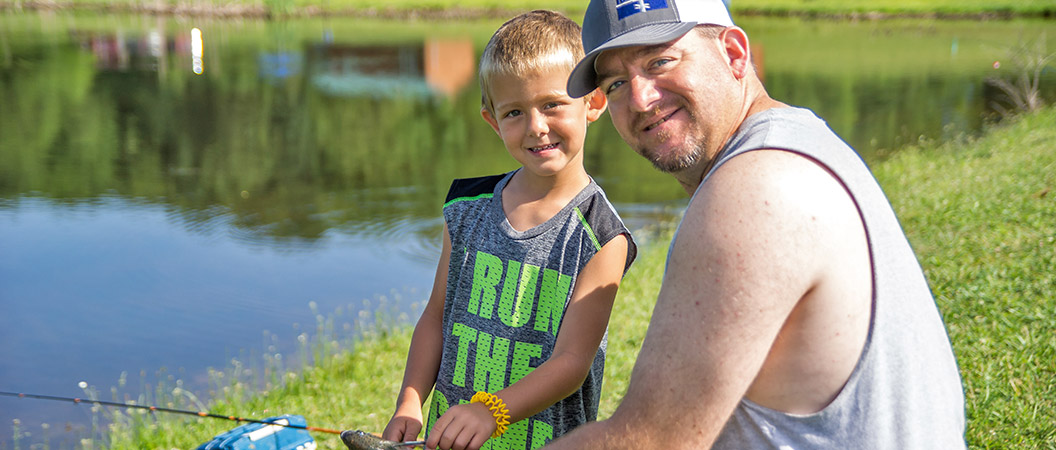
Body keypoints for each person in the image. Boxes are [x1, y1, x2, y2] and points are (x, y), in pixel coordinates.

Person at [544, 0, 966, 448]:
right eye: (617, 84)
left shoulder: (755, 187)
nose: (642, 99)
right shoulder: (797, 140)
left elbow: (650, 442)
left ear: (733, 52)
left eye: (661, 61)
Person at [381, 10, 637, 450]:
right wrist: (410, 401)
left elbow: (573, 362)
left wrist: (491, 410)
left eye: (552, 104)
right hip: (453, 439)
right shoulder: (465, 209)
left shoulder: (601, 235)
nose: (536, 127)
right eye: (515, 112)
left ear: (592, 103)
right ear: (493, 121)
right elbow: (435, 316)